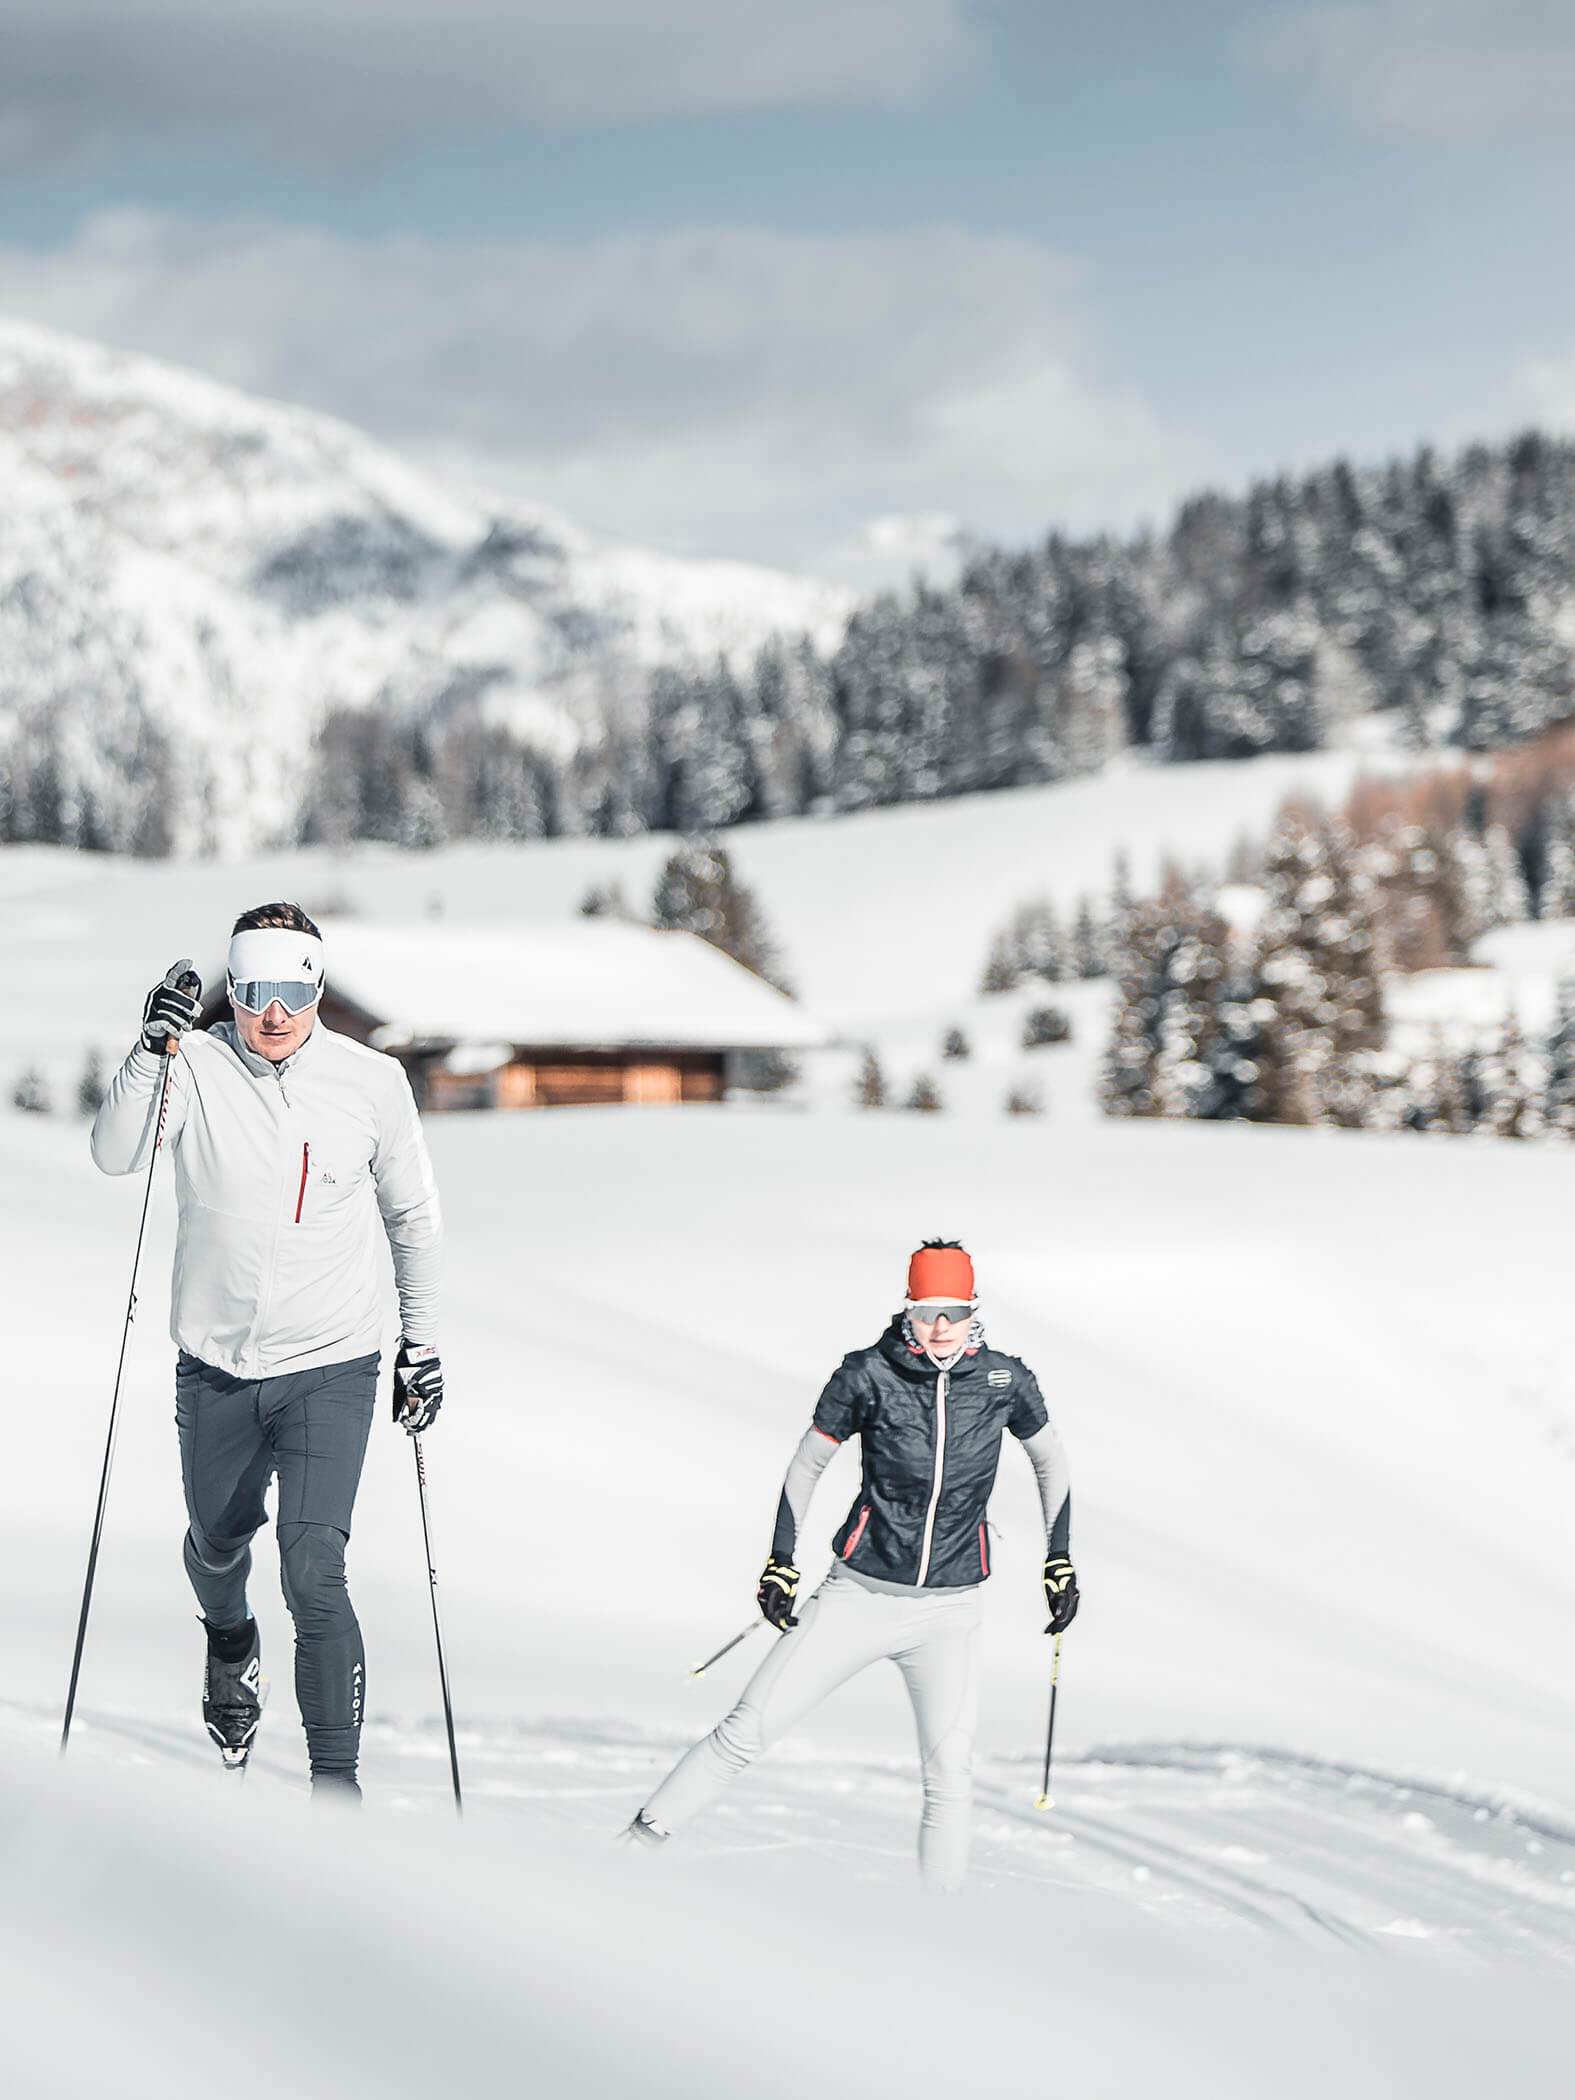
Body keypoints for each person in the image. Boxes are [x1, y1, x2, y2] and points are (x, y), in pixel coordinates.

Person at [90, 903, 444, 1795]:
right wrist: (148, 1051)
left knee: (315, 1566)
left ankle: (336, 1792)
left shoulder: (371, 1083)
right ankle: (230, 1642)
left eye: (293, 989)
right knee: (216, 1545)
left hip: (332, 1363)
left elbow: (412, 1217)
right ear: (234, 990)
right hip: (215, 1366)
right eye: (254, 991)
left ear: (318, 985)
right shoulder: (195, 1065)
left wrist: (421, 1342)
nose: (274, 1011)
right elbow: (114, 1154)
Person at [628, 1239, 1076, 1889]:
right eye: (927, 1311)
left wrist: (1057, 1561)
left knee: (949, 1773)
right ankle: (631, 1850)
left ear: (973, 1311)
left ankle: (938, 1930)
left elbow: (1050, 1460)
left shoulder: (1004, 1380)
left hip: (950, 1609)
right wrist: (781, 1560)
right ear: (907, 1310)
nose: (940, 1326)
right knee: (744, 1732)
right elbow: (807, 1464)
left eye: (953, 1310)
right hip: (858, 1594)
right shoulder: (867, 1374)